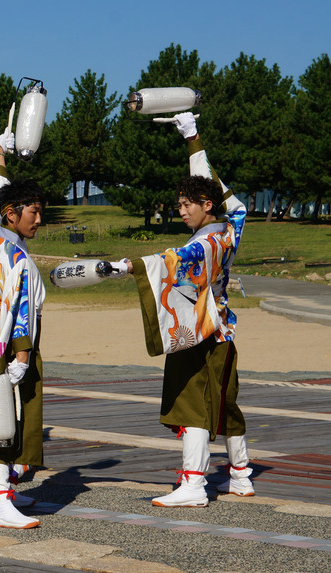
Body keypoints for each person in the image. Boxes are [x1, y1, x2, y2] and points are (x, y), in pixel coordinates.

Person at [125, 112, 252, 507]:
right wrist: (193, 139)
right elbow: (227, 198)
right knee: (225, 403)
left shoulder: (201, 244)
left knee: (193, 404)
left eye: (186, 204)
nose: (181, 210)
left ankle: (194, 485)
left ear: (206, 205)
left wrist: (123, 266)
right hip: (224, 332)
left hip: (200, 332)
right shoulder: (231, 228)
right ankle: (242, 476)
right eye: (179, 204)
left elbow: (172, 260)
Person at [0, 131, 46, 529]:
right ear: (13, 213)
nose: (39, 218)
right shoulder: (12, 251)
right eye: (33, 210)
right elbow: (16, 307)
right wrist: (21, 355)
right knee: (4, 421)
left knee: (3, 417)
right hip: (7, 344)